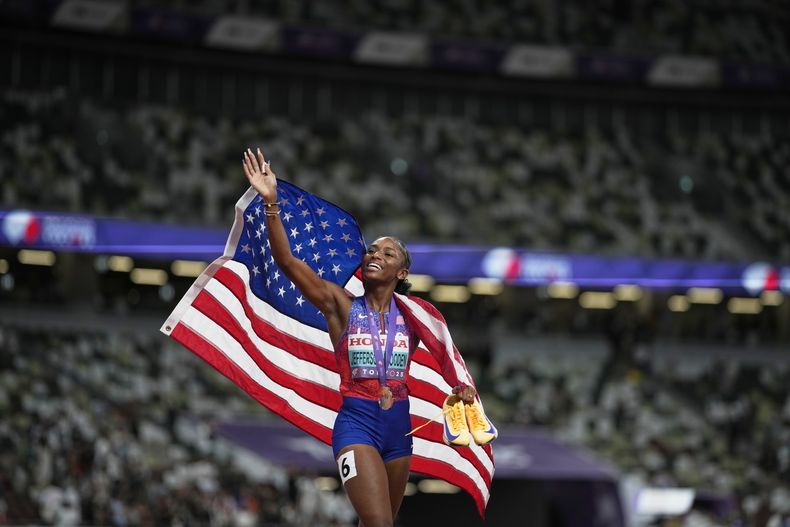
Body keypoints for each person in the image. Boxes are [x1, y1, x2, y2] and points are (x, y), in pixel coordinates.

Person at [242, 147, 493, 527]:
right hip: (356, 425)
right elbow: (288, 262)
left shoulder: (415, 317)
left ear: (402, 272)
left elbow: (445, 352)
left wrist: (462, 385)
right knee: (378, 523)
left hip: (399, 430)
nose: (375, 254)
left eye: (388, 254)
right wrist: (271, 202)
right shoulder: (340, 305)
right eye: (372, 250)